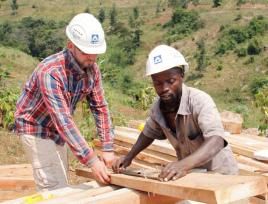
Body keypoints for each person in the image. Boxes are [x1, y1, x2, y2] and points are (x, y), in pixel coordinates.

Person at [14, 13, 115, 191]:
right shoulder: (51, 72)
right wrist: (92, 160)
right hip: (35, 127)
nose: (91, 57)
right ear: (71, 46)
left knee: (62, 182)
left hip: (57, 130)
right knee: (54, 188)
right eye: (85, 52)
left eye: (95, 53)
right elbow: (63, 120)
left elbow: (100, 107)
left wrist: (107, 147)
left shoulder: (92, 68)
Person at [113, 45, 238, 181]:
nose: (164, 88)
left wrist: (183, 164)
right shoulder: (158, 108)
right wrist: (129, 156)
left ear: (182, 75)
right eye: (158, 83)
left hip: (220, 176)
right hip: (190, 176)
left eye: (170, 81)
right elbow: (148, 133)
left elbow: (217, 140)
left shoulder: (199, 101)